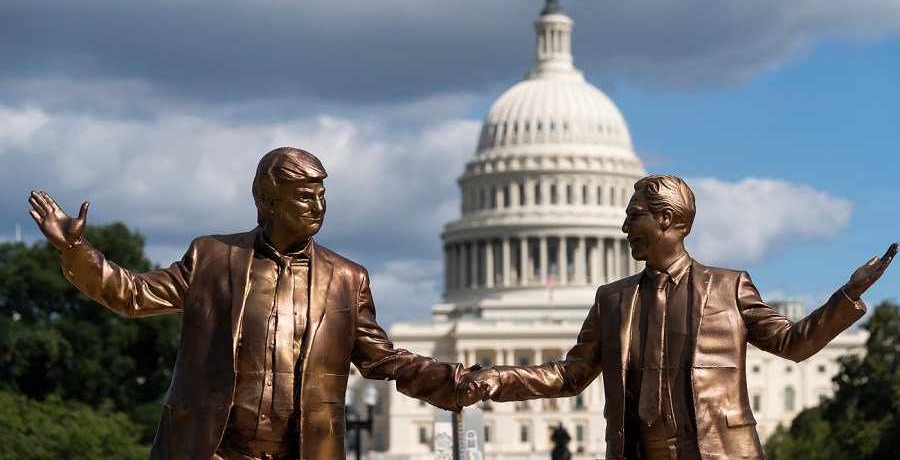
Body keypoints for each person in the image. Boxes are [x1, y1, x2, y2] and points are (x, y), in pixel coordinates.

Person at [29, 147, 476, 460]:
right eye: (304, 196)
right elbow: (132, 294)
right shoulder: (211, 258)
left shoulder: (346, 279)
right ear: (267, 201)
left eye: (322, 195)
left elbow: (389, 364)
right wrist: (76, 250)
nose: (318, 206)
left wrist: (487, 382)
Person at [457, 175, 896, 459]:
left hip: (719, 451)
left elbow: (793, 343)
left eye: (635, 217)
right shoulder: (612, 300)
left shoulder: (729, 287)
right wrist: (493, 380)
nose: (625, 228)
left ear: (666, 218)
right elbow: (568, 376)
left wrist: (848, 295)